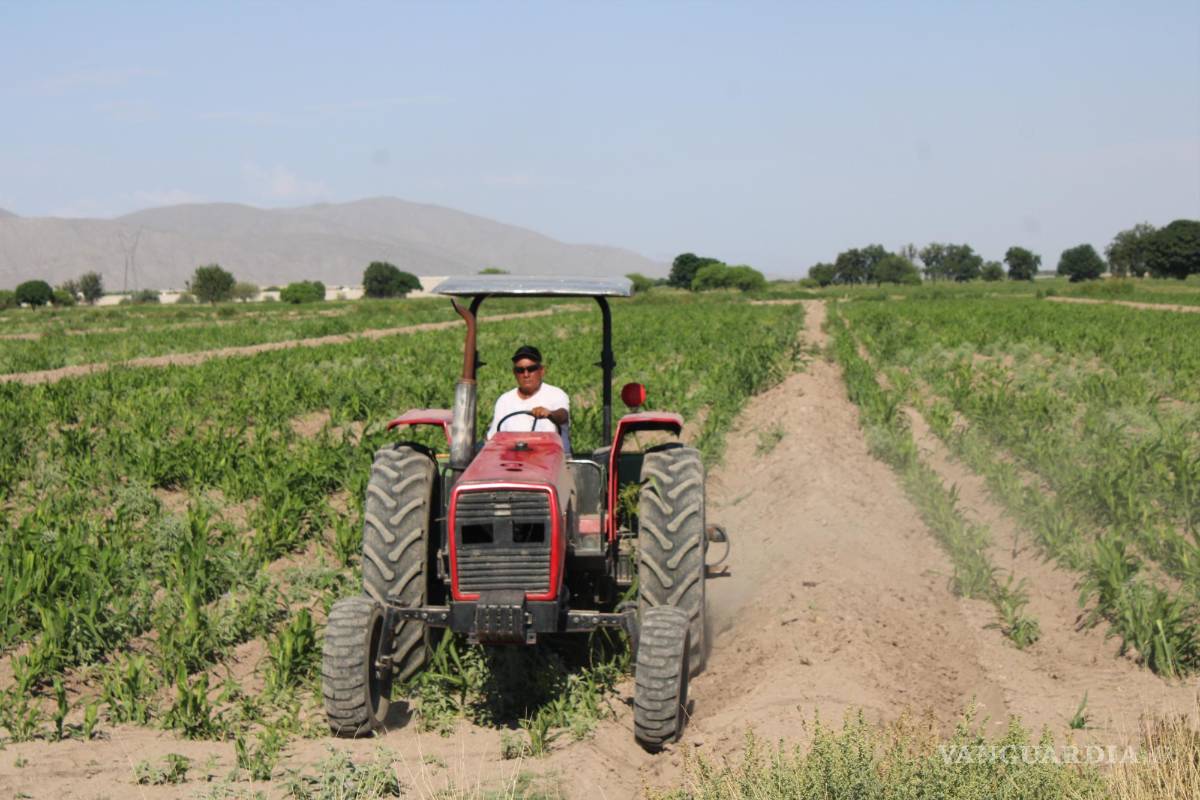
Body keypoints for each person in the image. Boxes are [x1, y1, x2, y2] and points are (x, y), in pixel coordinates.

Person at [486, 345, 571, 454]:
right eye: (520, 370)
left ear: (541, 370)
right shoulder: (504, 400)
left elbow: (563, 415)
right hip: (513, 461)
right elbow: (493, 438)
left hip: (552, 460)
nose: (526, 375)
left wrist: (550, 414)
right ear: (514, 373)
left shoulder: (556, 395)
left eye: (531, 369)